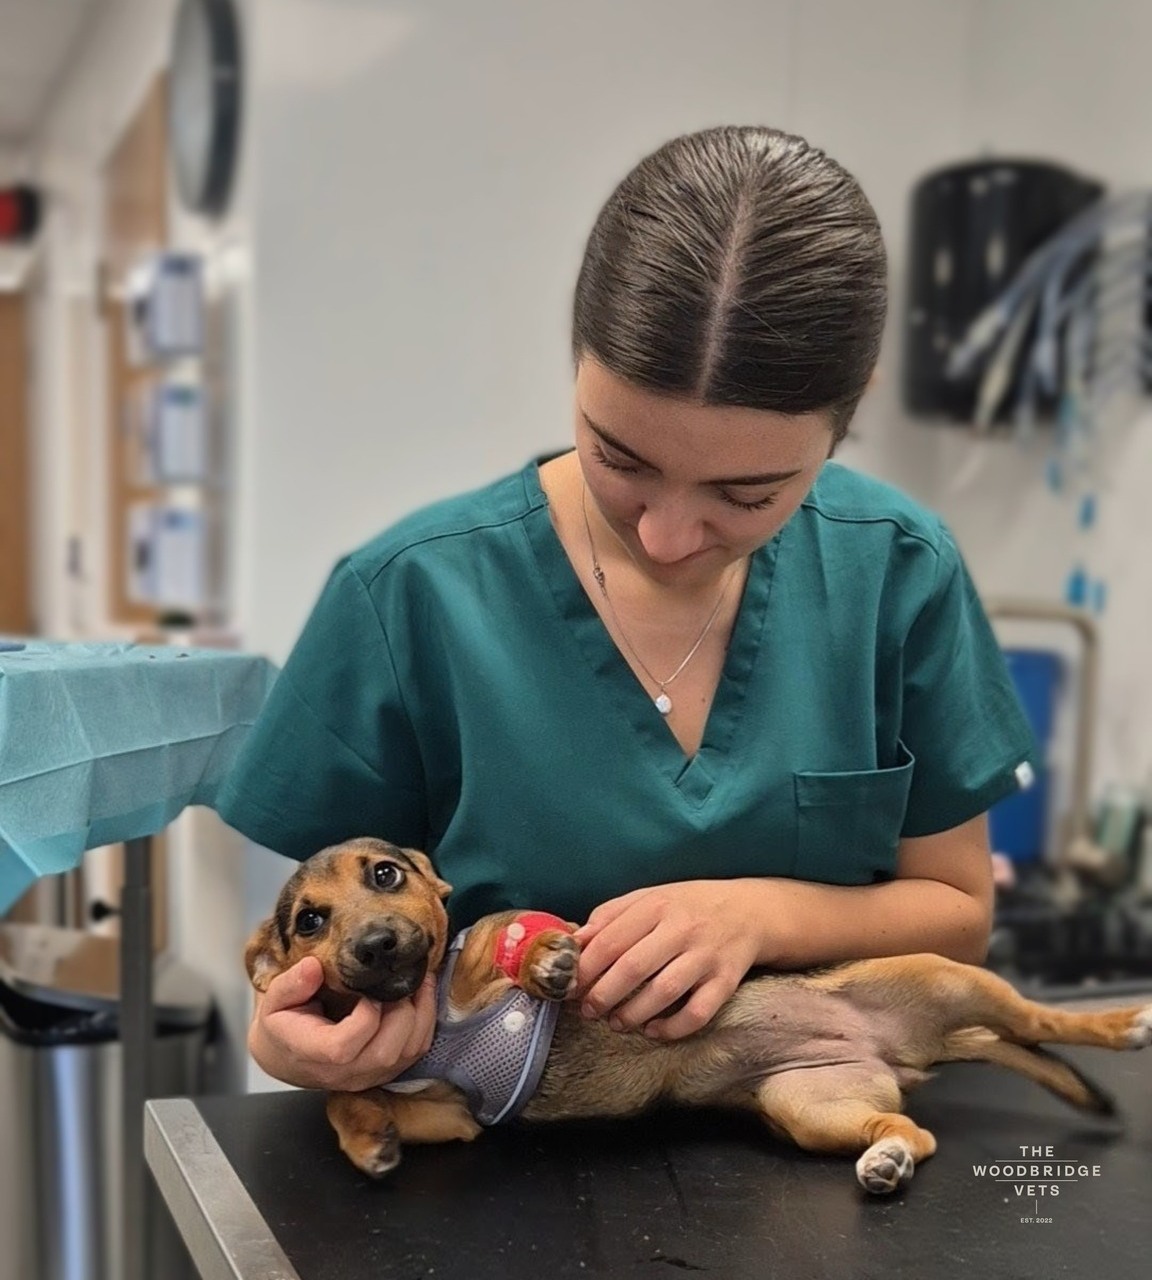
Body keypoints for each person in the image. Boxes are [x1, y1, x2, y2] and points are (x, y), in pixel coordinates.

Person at [217, 124, 1035, 1095]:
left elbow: (955, 906)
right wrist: (290, 1044)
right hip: (496, 1183)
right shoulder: (409, 596)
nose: (667, 537)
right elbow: (310, 944)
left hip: (836, 1146)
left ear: (850, 410)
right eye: (622, 461)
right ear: (576, 360)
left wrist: (759, 915)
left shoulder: (898, 570)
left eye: (746, 495)